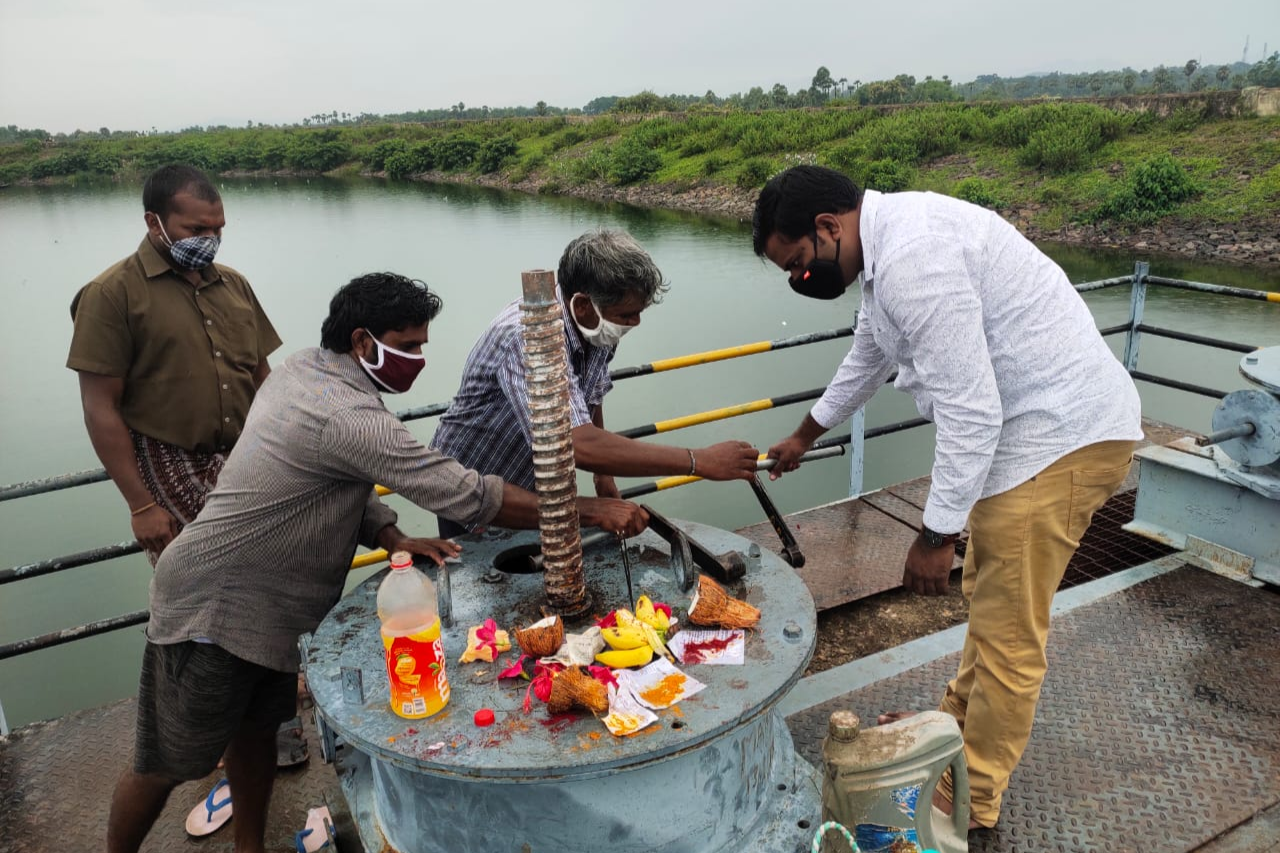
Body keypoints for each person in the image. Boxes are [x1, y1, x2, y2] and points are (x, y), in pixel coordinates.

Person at [104, 272, 647, 853]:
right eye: (408, 345)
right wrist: (586, 509)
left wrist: (389, 534)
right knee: (165, 762)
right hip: (216, 605)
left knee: (257, 730)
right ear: (364, 342)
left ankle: (249, 847)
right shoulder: (349, 416)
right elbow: (464, 494)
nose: (418, 358)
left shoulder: (304, 371)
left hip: (269, 610)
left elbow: (338, 475)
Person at [753, 165, 1141, 830]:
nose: (800, 279)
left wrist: (936, 535)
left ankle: (976, 796)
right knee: (991, 603)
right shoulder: (884, 254)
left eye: (798, 262)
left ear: (828, 226)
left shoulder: (913, 258)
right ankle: (955, 734)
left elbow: (973, 412)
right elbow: (866, 358)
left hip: (1057, 439)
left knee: (1012, 634)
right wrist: (804, 433)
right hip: (1028, 441)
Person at [431, 228, 759, 538]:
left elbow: (591, 394)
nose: (635, 322)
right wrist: (698, 460)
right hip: (477, 485)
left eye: (639, 312)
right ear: (584, 304)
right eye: (628, 314)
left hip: (541, 482)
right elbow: (575, 442)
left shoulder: (597, 325)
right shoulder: (531, 336)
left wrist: (604, 477)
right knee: (492, 580)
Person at [67, 164, 281, 565]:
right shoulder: (111, 294)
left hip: (246, 453)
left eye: (218, 230)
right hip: (168, 459)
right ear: (154, 222)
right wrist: (141, 506)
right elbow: (100, 408)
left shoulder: (233, 286)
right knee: (208, 575)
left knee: (279, 558)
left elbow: (262, 376)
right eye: (196, 230)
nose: (210, 240)